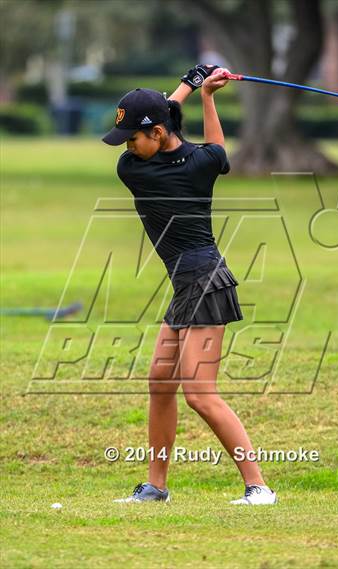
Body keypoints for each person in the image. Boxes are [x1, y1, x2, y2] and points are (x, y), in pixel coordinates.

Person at [102, 64, 277, 506]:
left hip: (203, 281)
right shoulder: (205, 162)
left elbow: (167, 115)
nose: (125, 147)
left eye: (131, 138)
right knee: (160, 382)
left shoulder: (135, 171)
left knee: (201, 394)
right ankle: (155, 487)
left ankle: (258, 487)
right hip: (190, 283)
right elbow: (216, 147)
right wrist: (205, 94)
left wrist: (190, 86)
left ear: (157, 134)